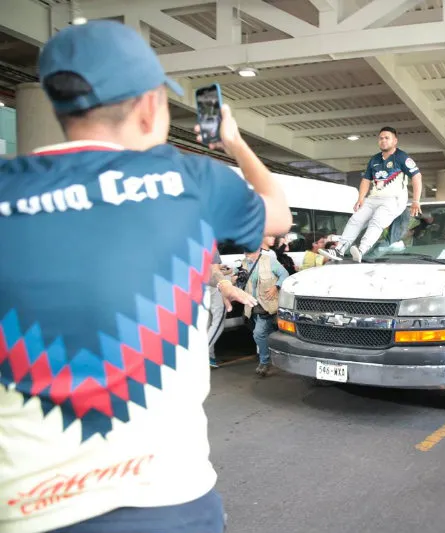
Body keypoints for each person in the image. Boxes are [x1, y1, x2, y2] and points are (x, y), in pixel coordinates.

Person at [0, 20, 291, 533]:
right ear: (149, 105)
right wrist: (235, 143)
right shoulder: (192, 182)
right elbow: (279, 216)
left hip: (29, 511)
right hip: (170, 504)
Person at [320, 126, 422, 263]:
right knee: (355, 219)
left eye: (387, 138)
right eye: (381, 138)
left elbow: (417, 177)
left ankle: (361, 250)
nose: (383, 140)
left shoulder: (402, 157)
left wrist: (416, 201)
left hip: (394, 199)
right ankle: (339, 249)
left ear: (395, 141)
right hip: (374, 198)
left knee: (377, 221)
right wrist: (361, 198)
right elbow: (366, 180)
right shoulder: (374, 159)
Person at [240, 236, 290, 377]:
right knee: (270, 332)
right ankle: (277, 357)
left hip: (267, 305)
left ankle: (264, 361)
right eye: (245, 252)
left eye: (249, 252)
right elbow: (241, 282)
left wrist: (276, 287)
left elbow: (284, 275)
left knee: (259, 333)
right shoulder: (244, 264)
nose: (246, 255)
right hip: (252, 306)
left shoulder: (269, 261)